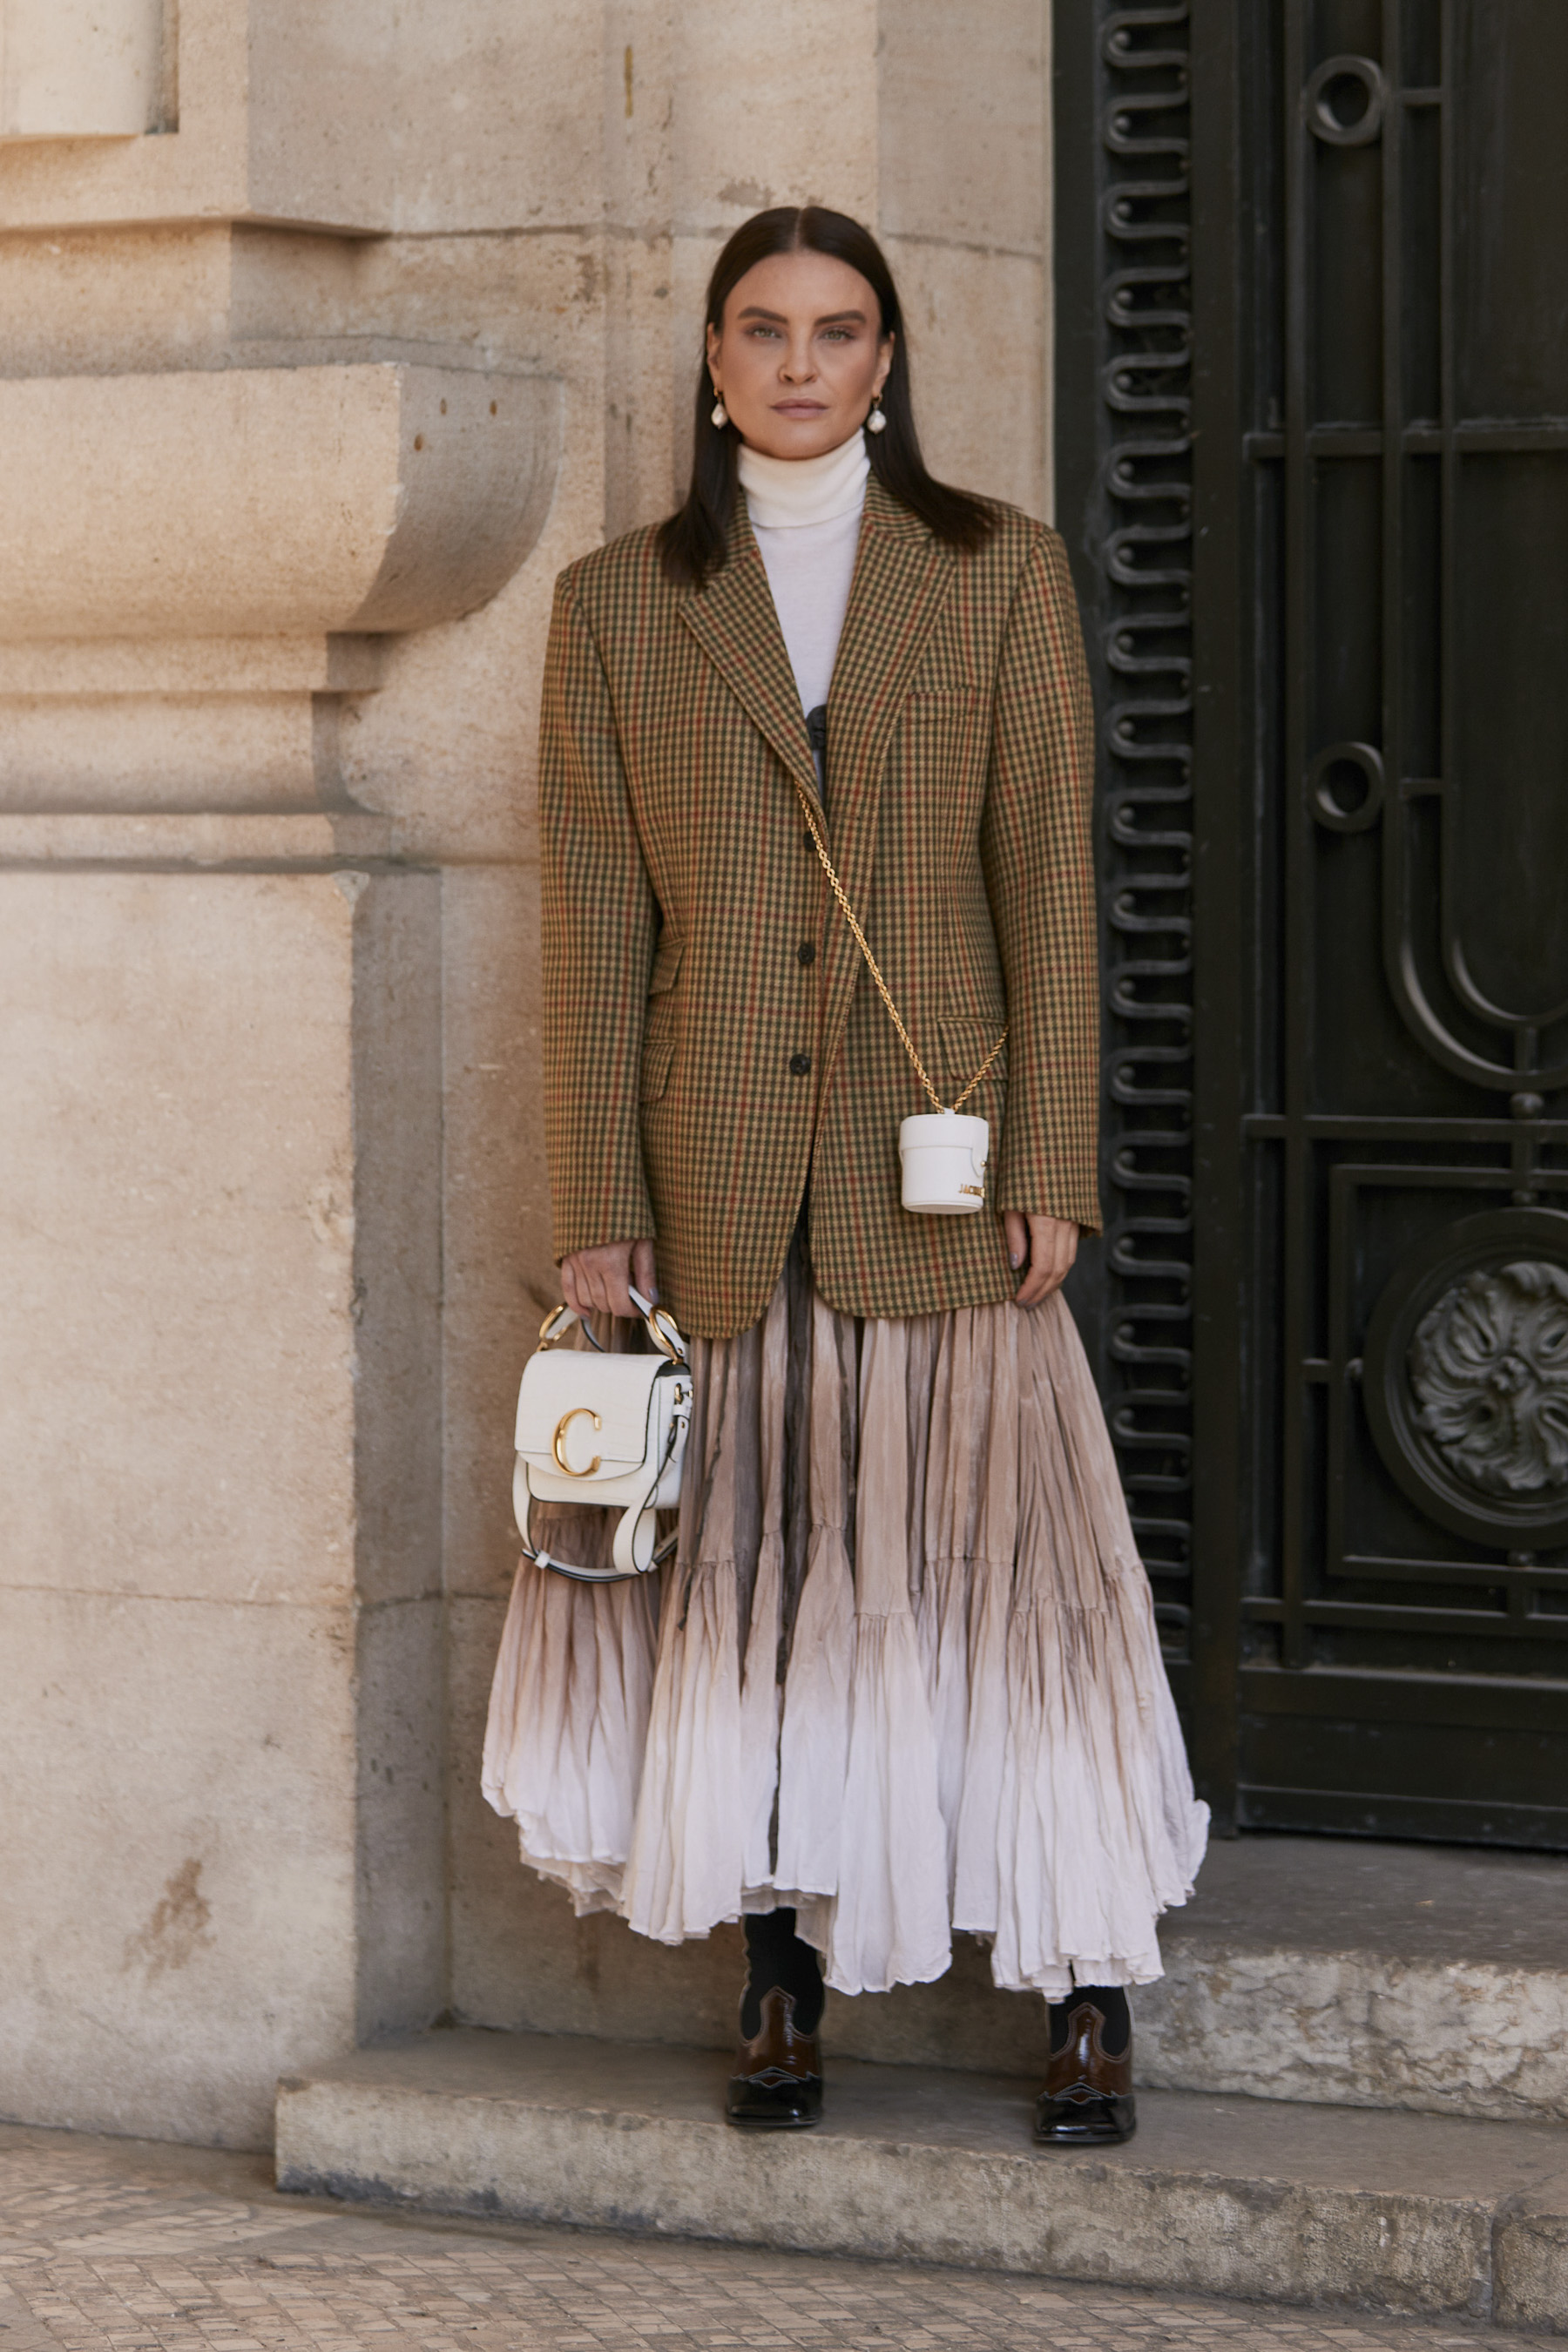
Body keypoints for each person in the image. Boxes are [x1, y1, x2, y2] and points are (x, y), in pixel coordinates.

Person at [483, 204, 1208, 2146]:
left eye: (841, 329)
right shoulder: (619, 603)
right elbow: (593, 925)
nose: (801, 362)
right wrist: (592, 1186)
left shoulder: (994, 573)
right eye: (763, 327)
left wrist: (1054, 1149)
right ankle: (780, 1976)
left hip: (945, 1177)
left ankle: (1088, 1988)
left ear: (890, 361)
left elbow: (1054, 875)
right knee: (771, 1588)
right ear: (710, 362)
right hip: (717, 1182)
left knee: (1020, 1594)